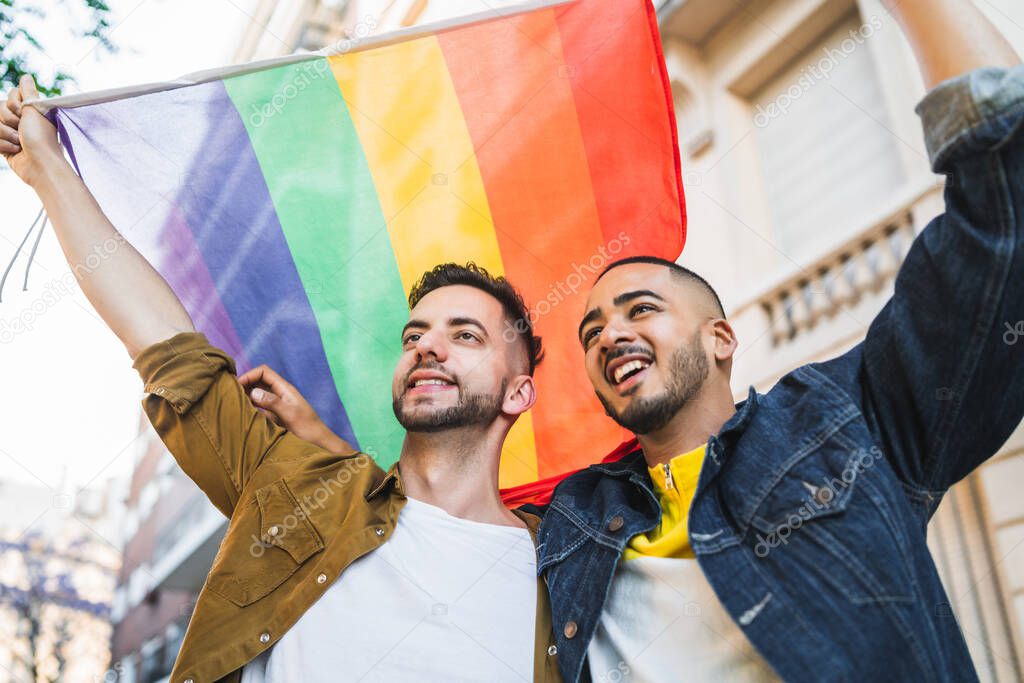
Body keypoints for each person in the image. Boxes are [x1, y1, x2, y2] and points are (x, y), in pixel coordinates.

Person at [255, 1, 1024, 680]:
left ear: (721, 337)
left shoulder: (847, 420)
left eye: (640, 309)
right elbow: (438, 505)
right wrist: (325, 444)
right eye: (590, 329)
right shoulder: (572, 517)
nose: (610, 332)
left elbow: (1001, 227)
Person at [0, 86, 561, 680]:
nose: (427, 346)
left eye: (466, 336)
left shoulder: (571, 569)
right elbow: (163, 343)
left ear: (517, 393)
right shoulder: (294, 486)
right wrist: (48, 169)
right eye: (413, 335)